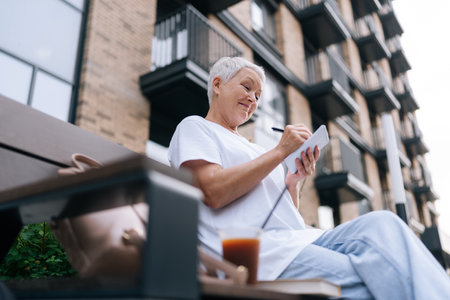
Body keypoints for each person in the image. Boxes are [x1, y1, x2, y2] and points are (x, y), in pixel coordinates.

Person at [168, 56, 450, 299]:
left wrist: (294, 181)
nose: (253, 98)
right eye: (247, 86)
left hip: (297, 239)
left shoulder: (254, 148)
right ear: (217, 85)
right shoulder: (195, 127)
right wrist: (280, 151)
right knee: (371, 276)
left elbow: (286, 215)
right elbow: (213, 191)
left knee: (383, 223)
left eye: (258, 95)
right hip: (255, 253)